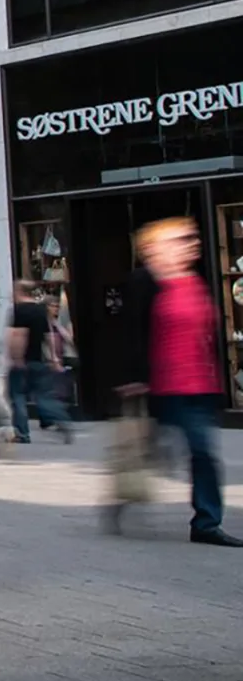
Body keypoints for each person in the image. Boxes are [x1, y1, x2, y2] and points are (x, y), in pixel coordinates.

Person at [114, 217, 239, 545]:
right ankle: (131, 495)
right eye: (182, 239)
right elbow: (131, 332)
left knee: (195, 452)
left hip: (199, 385)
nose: (192, 243)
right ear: (155, 248)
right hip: (165, 386)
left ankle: (206, 522)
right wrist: (133, 377)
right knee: (182, 450)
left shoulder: (196, 282)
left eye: (192, 238)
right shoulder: (145, 281)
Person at [7, 282, 74, 443]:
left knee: (18, 396)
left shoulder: (19, 311)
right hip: (39, 360)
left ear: (19, 292)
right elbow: (50, 336)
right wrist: (54, 358)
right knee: (44, 397)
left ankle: (22, 433)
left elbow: (19, 335)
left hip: (24, 361)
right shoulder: (40, 311)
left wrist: (16, 358)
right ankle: (62, 420)